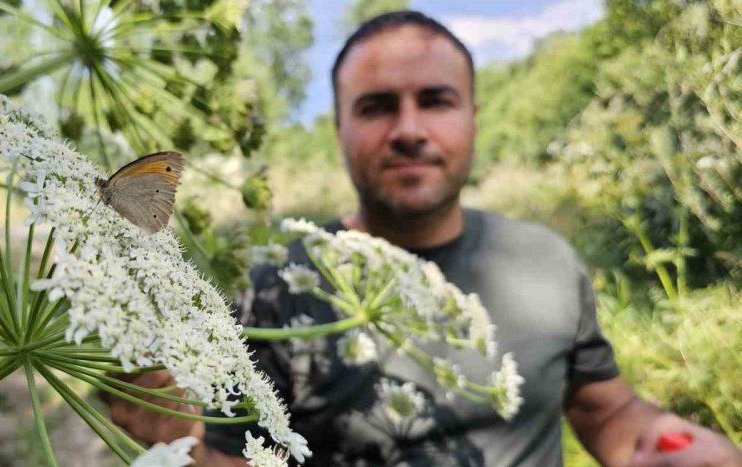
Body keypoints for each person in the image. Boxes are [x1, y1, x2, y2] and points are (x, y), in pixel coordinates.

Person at [105, 11, 742, 466]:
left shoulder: (548, 260)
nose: (408, 129)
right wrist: (174, 429)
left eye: (436, 100)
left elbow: (607, 413)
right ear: (338, 129)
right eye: (377, 106)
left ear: (473, 117)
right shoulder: (274, 287)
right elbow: (234, 457)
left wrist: (664, 442)